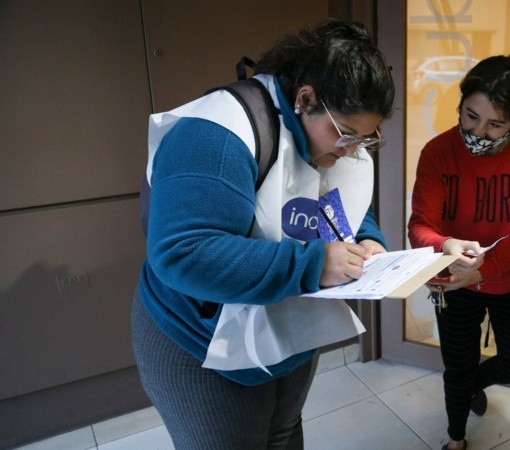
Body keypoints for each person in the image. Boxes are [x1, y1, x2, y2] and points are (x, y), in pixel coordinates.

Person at [131, 19, 394, 449]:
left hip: (286, 326)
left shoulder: (329, 133)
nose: (351, 149)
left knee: (284, 434)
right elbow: (183, 251)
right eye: (346, 134)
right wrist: (314, 263)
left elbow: (337, 198)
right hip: (199, 337)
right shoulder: (213, 135)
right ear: (305, 98)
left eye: (366, 138)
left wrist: (368, 238)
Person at [407, 53, 510, 450]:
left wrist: (485, 270)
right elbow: (420, 226)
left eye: (495, 123)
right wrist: (448, 246)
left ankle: (472, 387)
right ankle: (455, 439)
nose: (479, 131)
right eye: (470, 116)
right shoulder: (437, 152)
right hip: (452, 280)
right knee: (457, 365)